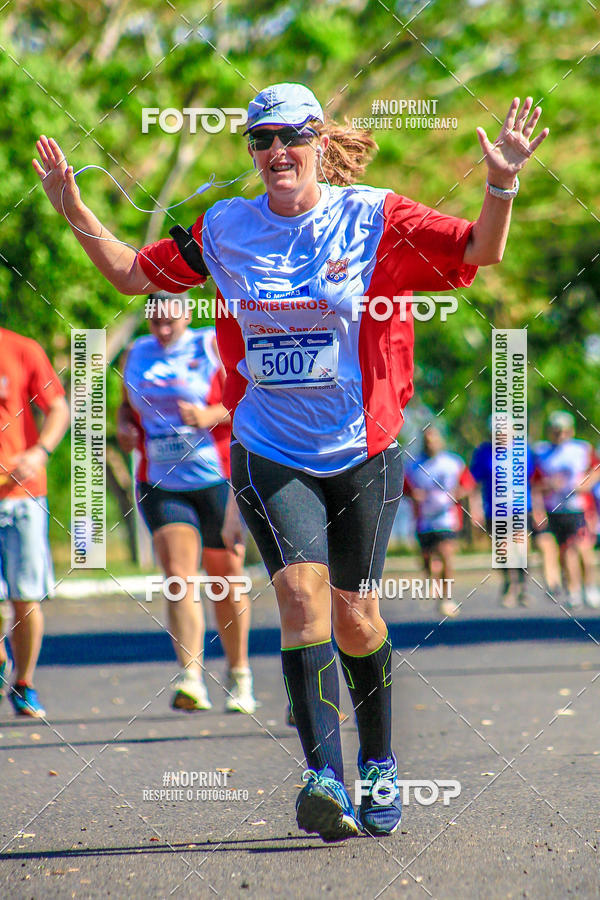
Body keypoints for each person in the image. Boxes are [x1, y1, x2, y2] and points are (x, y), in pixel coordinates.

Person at [34, 82, 547, 841]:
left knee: (358, 615)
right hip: (269, 446)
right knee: (302, 601)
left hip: (362, 448)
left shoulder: (374, 217)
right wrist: (75, 210)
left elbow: (481, 250)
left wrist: (501, 180)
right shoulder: (226, 228)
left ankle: (378, 763)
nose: (276, 151)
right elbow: (134, 277)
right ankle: (321, 777)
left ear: (317, 142)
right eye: (259, 139)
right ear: (250, 151)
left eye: (290, 137)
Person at [117, 294, 257, 713]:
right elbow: (126, 410)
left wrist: (212, 414)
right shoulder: (135, 354)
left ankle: (240, 673)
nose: (162, 330)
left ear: (187, 314)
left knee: (225, 579)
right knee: (178, 577)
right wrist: (124, 428)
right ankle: (191, 676)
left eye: (170, 321)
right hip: (161, 480)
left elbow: (253, 398)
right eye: (155, 322)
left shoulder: (211, 344)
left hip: (217, 477)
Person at [0, 327, 70, 717]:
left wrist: (40, 451)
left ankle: (24, 682)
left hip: (22, 493)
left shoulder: (22, 348)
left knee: (25, 596)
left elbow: (58, 406)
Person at [470, 419, 552, 607]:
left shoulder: (524, 452)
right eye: (497, 432)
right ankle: (509, 583)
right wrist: (476, 510)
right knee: (503, 551)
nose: (501, 435)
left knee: (521, 548)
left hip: (521, 508)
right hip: (495, 510)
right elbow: (473, 484)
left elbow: (534, 483)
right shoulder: (484, 453)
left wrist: (539, 509)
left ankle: (522, 587)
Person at [404, 425, 477, 617]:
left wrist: (457, 494)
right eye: (427, 441)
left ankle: (447, 597)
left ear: (441, 441)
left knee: (446, 555)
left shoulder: (453, 463)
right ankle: (432, 580)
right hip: (423, 520)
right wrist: (414, 495)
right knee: (427, 559)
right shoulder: (414, 465)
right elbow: (404, 490)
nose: (431, 444)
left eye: (434, 440)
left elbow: (468, 486)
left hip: (447, 518)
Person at [532, 411, 600, 608]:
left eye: (563, 431)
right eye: (555, 431)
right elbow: (535, 484)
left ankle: (590, 585)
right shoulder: (542, 453)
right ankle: (573, 589)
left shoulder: (581, 449)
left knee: (584, 549)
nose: (560, 435)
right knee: (567, 550)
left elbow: (596, 469)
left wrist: (585, 484)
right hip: (556, 509)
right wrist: (546, 490)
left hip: (580, 507)